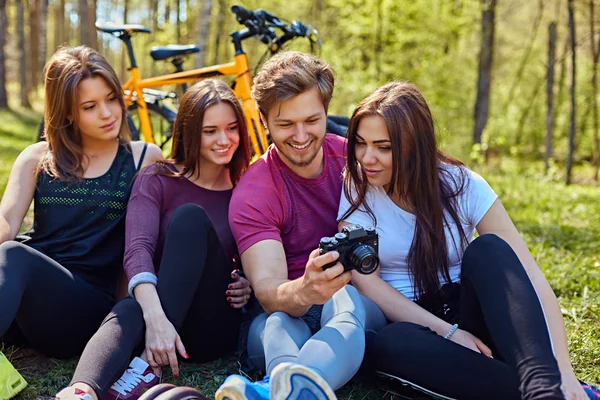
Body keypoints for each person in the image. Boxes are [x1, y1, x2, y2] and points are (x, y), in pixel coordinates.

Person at [337, 81, 600, 400]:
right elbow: (368, 283)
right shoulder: (357, 187)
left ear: (414, 147)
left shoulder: (462, 185)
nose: (367, 157)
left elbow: (529, 276)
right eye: (360, 143)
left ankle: (545, 386)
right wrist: (448, 333)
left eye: (384, 147)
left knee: (489, 249)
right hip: (416, 327)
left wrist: (565, 371)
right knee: (390, 342)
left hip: (473, 312)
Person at [54, 79, 253, 400]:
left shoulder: (246, 185)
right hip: (157, 309)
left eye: (232, 129)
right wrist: (156, 318)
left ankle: (147, 366)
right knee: (130, 308)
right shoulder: (157, 179)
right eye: (210, 130)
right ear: (189, 132)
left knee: (190, 218)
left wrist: (248, 282)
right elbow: (137, 249)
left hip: (210, 326)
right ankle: (81, 391)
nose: (224, 140)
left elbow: (257, 253)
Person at [215, 51, 366, 400]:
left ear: (327, 112)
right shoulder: (254, 191)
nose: (300, 135)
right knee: (277, 323)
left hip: (354, 305)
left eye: (312, 120)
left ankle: (271, 391)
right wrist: (307, 289)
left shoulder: (354, 162)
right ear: (264, 121)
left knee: (344, 296)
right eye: (285, 125)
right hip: (280, 317)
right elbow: (269, 291)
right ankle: (292, 388)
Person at [0, 45, 162, 361]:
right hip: (28, 308)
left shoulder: (143, 158)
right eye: (90, 106)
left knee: (13, 255)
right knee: (10, 253)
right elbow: (6, 224)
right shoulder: (37, 157)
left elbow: (148, 241)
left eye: (112, 99)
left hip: (88, 311)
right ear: (68, 113)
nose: (107, 113)